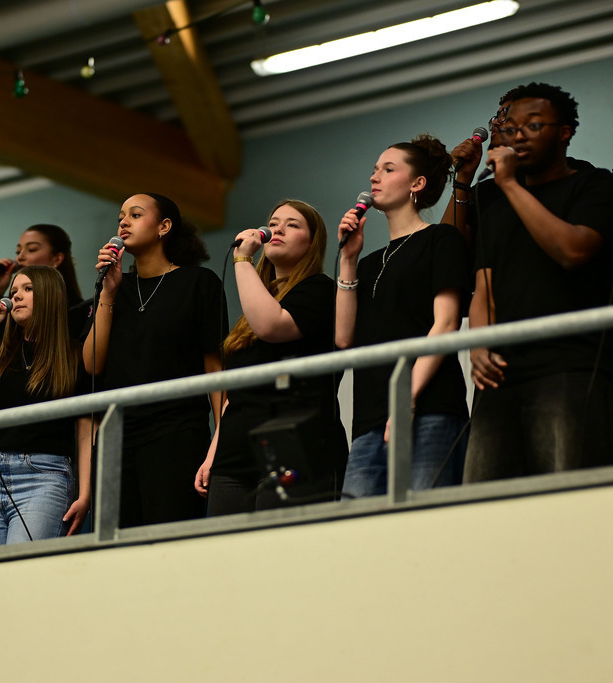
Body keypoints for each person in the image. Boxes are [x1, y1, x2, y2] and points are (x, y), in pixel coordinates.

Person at [447, 82, 613, 481]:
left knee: (567, 500)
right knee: (484, 508)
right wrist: (478, 343)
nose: (518, 135)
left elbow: (572, 250)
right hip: (499, 374)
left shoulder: (596, 185)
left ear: (564, 132)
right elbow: (474, 274)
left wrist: (507, 184)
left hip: (571, 368)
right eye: (510, 127)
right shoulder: (489, 198)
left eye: (533, 126)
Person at [336, 134, 471, 497]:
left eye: (388, 169)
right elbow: (344, 338)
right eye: (374, 170)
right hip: (369, 416)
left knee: (426, 525)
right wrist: (348, 259)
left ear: (417, 183)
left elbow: (445, 323)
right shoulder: (365, 262)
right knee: (361, 532)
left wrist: (405, 398)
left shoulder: (441, 240)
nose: (374, 178)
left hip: (428, 407)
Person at [195, 200, 348, 515]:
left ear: (312, 241)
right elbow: (232, 395)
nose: (277, 228)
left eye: (292, 224)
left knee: (282, 553)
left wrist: (242, 258)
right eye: (275, 222)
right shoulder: (255, 302)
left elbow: (272, 325)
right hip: (235, 452)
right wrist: (213, 454)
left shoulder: (319, 289)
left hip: (296, 446)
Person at [85, 193, 227, 527]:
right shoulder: (114, 287)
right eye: (121, 216)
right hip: (116, 435)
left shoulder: (198, 282)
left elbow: (215, 369)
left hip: (175, 432)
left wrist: (221, 438)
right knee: (117, 550)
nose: (123, 222)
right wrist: (107, 292)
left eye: (135, 214)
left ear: (164, 227)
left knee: (169, 538)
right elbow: (92, 364)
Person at [0, 266, 91, 548]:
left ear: (54, 297)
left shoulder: (73, 354)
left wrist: (84, 492)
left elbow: (86, 428)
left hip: (44, 475)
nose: (17, 297)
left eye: (28, 289)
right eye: (13, 291)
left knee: (23, 575)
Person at [0, 224, 89, 338]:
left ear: (57, 259)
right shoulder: (16, 310)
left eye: (31, 250)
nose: (19, 258)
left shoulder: (77, 312)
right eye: (18, 252)